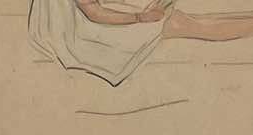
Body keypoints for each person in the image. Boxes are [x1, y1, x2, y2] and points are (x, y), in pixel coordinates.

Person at [30, 0, 253, 86]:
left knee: (190, 19)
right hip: (92, 34)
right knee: (189, 24)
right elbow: (95, 13)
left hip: (95, 22)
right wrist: (140, 17)